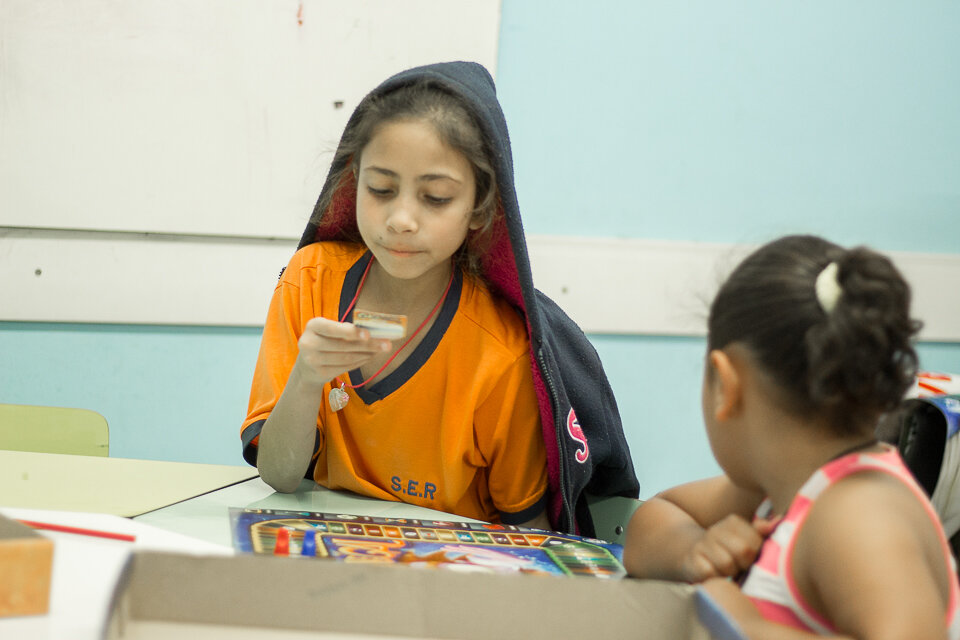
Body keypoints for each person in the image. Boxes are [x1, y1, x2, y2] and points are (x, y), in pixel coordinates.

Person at [241, 61, 639, 534]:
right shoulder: (309, 280)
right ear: (354, 182)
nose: (402, 219)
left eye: (435, 197)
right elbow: (280, 477)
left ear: (479, 207)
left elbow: (531, 536)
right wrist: (306, 378)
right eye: (381, 189)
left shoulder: (501, 353)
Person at [623, 235, 960, 639]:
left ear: (725, 385)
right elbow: (652, 519)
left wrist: (745, 625)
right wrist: (693, 550)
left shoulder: (858, 514)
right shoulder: (776, 491)